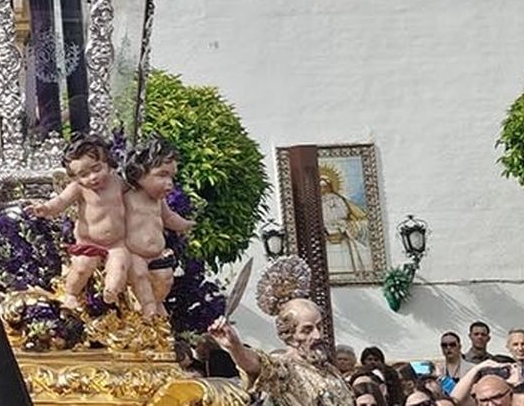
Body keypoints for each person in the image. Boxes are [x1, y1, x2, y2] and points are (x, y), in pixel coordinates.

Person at [209, 259, 353, 406]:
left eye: (319, 327)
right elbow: (256, 364)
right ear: (289, 335)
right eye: (307, 330)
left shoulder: (329, 369)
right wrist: (235, 346)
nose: (317, 335)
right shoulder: (285, 369)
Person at [29, 136, 130, 307]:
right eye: (84, 175)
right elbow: (61, 201)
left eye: (97, 169)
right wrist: (46, 208)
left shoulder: (118, 183)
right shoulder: (79, 188)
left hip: (116, 243)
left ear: (108, 162)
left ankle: (111, 291)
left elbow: (135, 197)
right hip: (89, 242)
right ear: (74, 177)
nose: (93, 177)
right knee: (82, 267)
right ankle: (71, 293)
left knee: (118, 266)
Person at [121, 138, 195, 316]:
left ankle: (157, 301)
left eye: (172, 177)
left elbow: (169, 218)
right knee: (140, 277)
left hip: (157, 254)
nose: (169, 183)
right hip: (135, 254)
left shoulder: (158, 201)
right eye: (162, 175)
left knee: (165, 278)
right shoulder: (127, 197)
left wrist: (187, 225)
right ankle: (146, 307)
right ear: (139, 173)